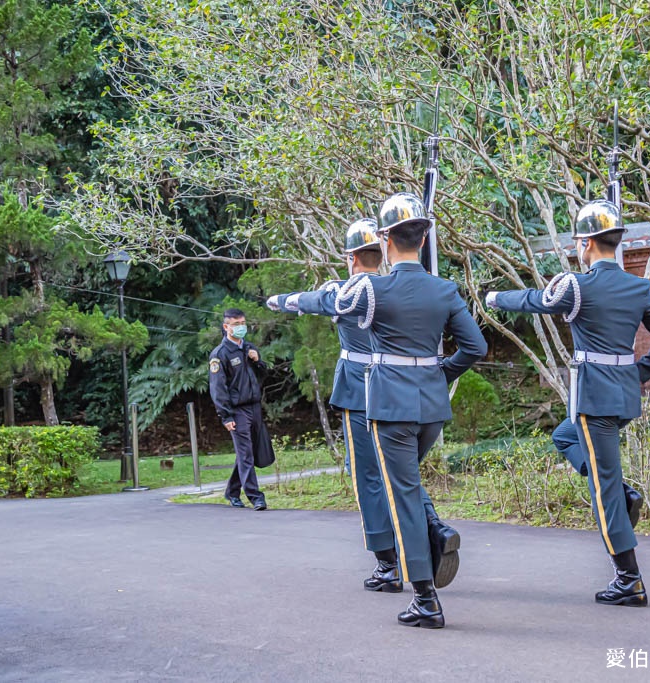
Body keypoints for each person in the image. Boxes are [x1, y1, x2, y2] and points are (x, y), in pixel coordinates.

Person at [283, 192, 487, 629]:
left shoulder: (373, 288)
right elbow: (476, 347)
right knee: (406, 485)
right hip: (432, 408)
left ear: (386, 239)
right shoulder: (444, 289)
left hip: (391, 407)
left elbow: (332, 304)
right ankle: (429, 542)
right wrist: (439, 375)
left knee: (401, 495)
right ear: (422, 238)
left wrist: (290, 300)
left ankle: (425, 597)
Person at [485, 199, 650, 607]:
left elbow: (536, 301)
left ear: (588, 243)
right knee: (565, 438)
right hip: (622, 397)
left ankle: (629, 578)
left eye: (579, 241)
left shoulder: (578, 285)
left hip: (594, 398)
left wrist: (495, 298)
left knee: (605, 487)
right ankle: (616, 491)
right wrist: (637, 373)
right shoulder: (636, 286)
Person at [266, 218, 402, 593]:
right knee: (399, 473)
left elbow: (316, 301)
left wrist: (280, 300)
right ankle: (429, 533)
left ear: (352, 257)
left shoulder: (347, 290)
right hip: (396, 389)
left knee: (366, 476)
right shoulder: (395, 288)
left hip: (360, 389)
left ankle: (387, 561)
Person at [208, 308, 276, 511]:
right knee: (245, 454)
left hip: (254, 406)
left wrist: (258, 361)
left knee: (249, 453)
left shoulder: (248, 348)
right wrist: (225, 416)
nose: (240, 327)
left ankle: (232, 492)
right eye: (236, 324)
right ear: (226, 327)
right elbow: (218, 389)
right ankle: (256, 497)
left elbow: (261, 377)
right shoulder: (219, 355)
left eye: (243, 323)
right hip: (236, 410)